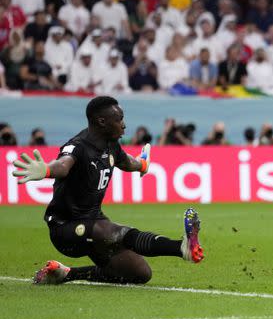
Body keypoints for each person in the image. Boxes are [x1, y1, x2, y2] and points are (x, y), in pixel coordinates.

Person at [12, 96, 204, 285]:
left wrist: (142, 165)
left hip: (95, 224)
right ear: (102, 121)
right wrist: (46, 169)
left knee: (139, 273)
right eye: (119, 119)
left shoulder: (111, 144)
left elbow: (127, 162)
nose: (124, 125)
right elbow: (62, 165)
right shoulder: (78, 146)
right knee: (115, 231)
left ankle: (66, 274)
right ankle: (181, 248)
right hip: (66, 230)